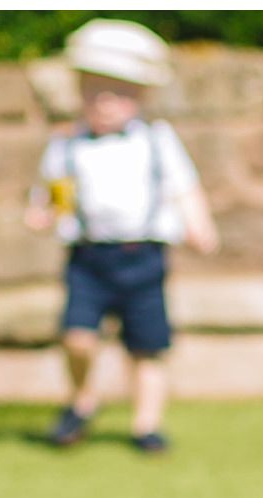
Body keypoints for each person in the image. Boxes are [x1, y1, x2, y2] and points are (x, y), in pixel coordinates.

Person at [25, 18, 219, 453]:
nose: (106, 102)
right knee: (77, 336)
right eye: (95, 91)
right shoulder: (67, 144)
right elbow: (53, 193)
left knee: (147, 345)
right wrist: (41, 213)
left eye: (119, 93)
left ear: (140, 96)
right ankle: (81, 398)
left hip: (143, 256)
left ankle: (147, 423)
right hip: (89, 259)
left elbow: (183, 187)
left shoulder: (157, 140)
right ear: (79, 92)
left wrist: (199, 224)